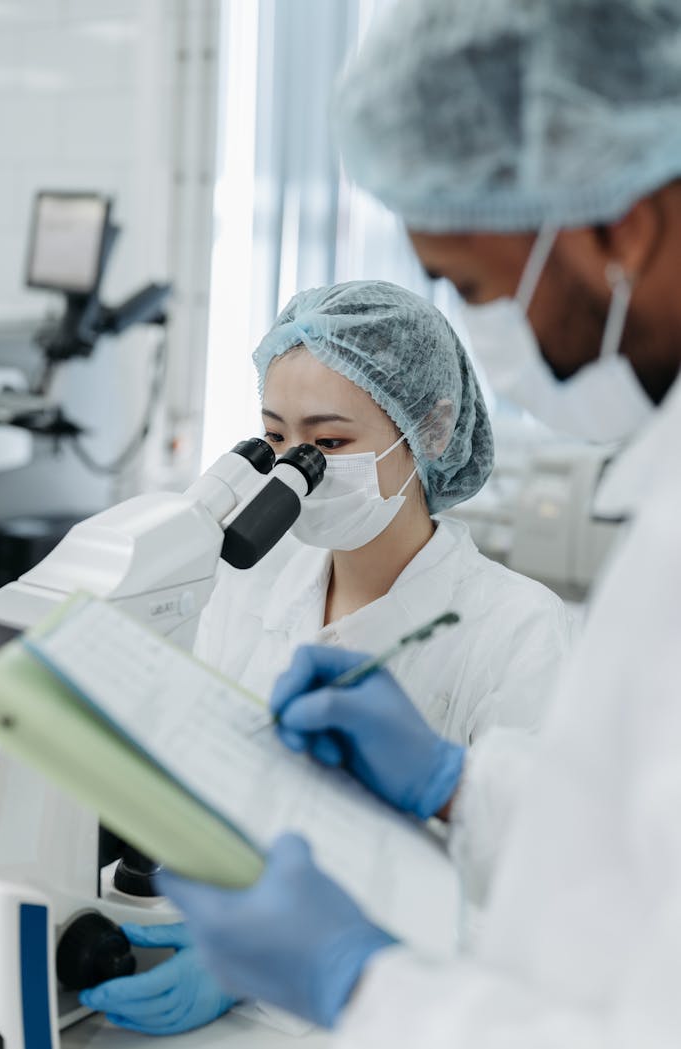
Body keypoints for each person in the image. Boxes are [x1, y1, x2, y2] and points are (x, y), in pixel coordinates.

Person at [153, 1, 681, 1046]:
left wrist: (355, 982)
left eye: (474, 284)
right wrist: (458, 783)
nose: (489, 327)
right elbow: (635, 855)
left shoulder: (527, 622)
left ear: (618, 229)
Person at [81, 279, 572, 1035]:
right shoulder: (249, 586)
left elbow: (539, 910)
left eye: (329, 442)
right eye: (275, 439)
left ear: (433, 429)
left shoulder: (518, 629)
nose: (294, 468)